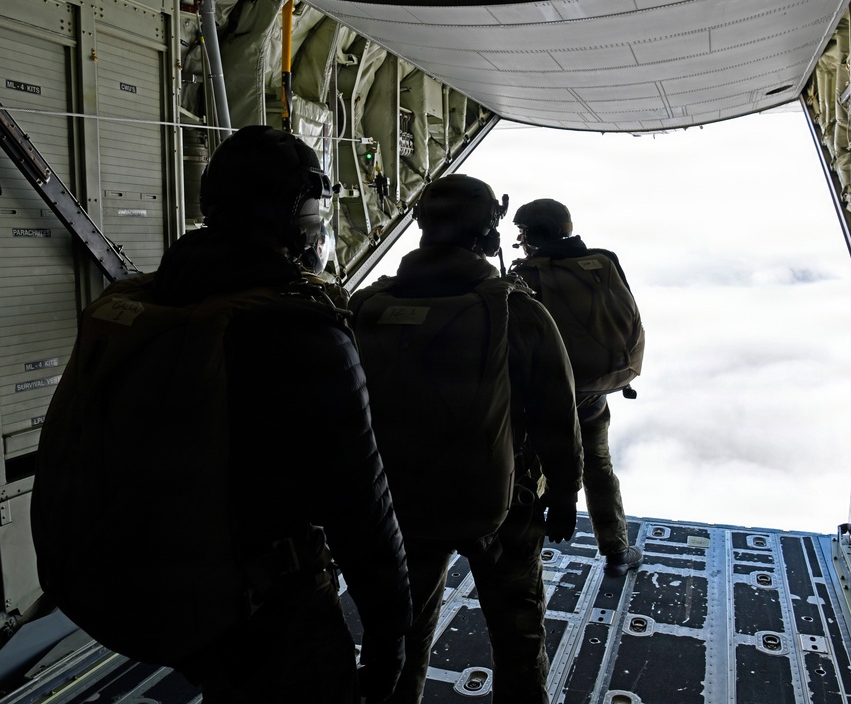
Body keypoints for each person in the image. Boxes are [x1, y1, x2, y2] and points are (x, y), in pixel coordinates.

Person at [31, 125, 411, 704]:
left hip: (167, 582)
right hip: (262, 605)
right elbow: (362, 506)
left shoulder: (148, 299)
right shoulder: (300, 332)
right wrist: (391, 631)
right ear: (290, 214)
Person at [348, 174, 584, 704]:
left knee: (402, 634)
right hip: (503, 504)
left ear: (420, 226)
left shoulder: (365, 305)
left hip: (399, 503)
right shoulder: (514, 310)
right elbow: (555, 413)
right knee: (518, 636)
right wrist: (566, 492)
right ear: (490, 236)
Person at [512, 198, 644, 577]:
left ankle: (529, 558)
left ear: (528, 236)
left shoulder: (525, 274)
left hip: (545, 400)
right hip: (594, 396)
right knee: (598, 468)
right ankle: (617, 550)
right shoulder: (604, 261)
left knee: (537, 474)